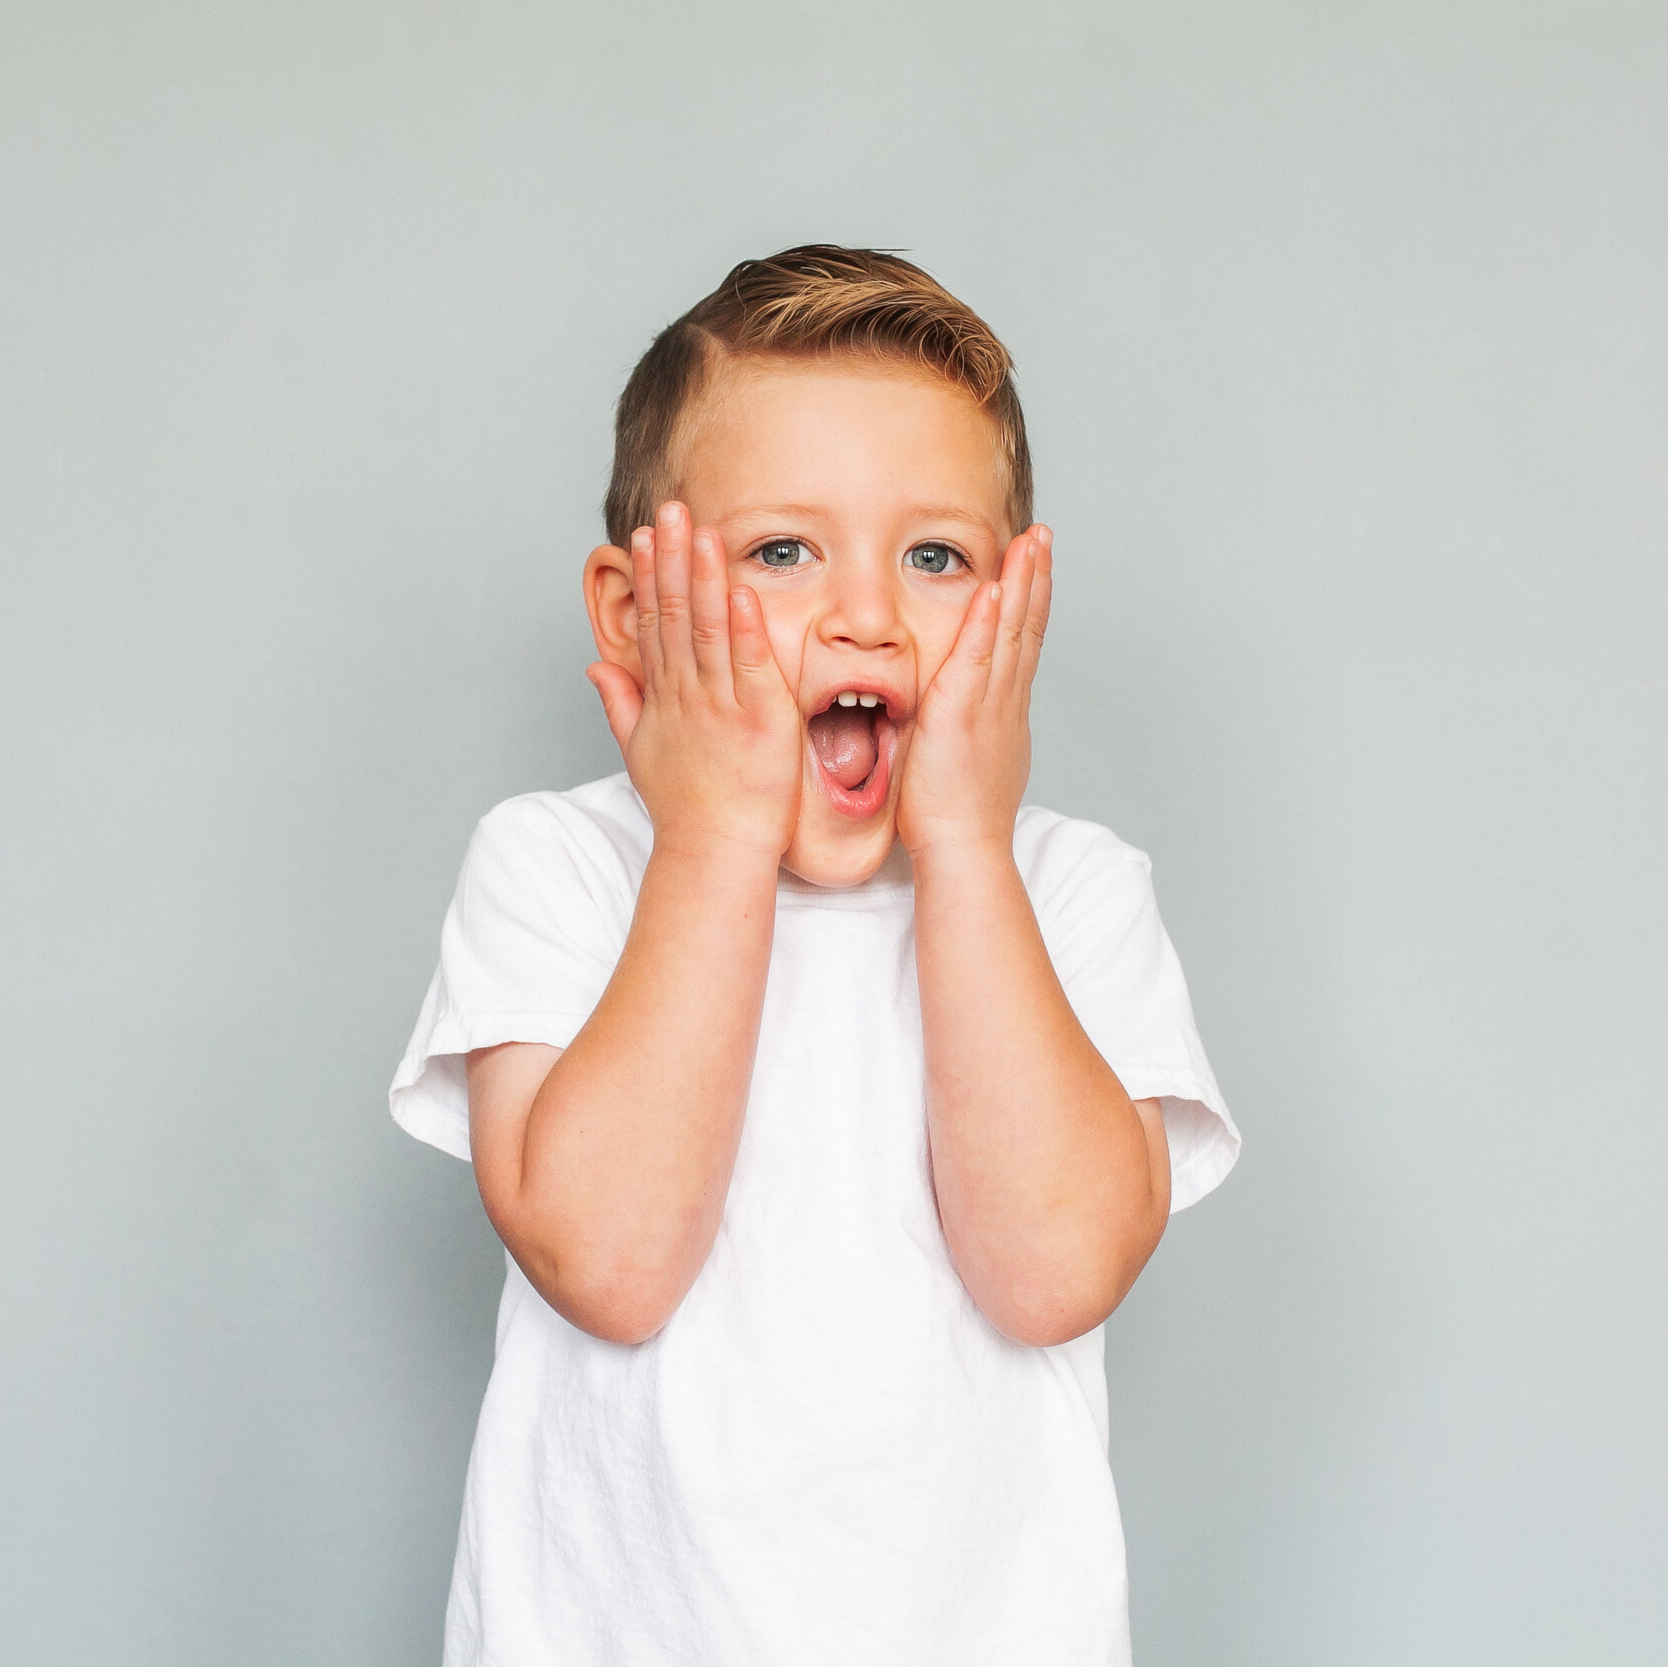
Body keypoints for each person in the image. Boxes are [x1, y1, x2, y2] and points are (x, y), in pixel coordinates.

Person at [391, 245, 1239, 1666]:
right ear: (628, 614)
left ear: (1017, 609)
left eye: (937, 558)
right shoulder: (561, 869)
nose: (867, 616)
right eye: (783, 552)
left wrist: (966, 848)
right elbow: (607, 1260)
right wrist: (713, 835)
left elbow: (1054, 1273)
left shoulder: (1068, 890)